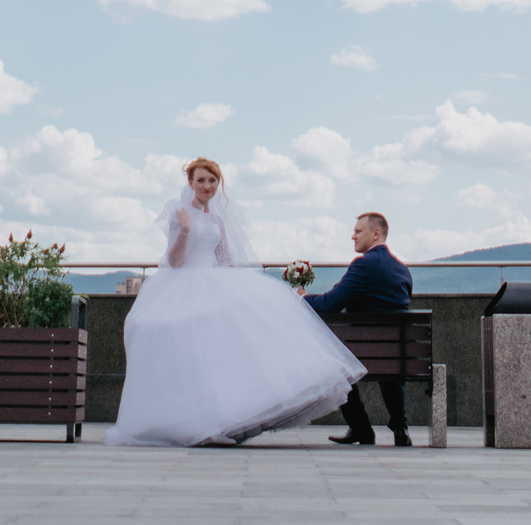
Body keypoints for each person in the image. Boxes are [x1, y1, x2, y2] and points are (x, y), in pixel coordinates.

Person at [106, 158, 369, 447]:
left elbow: (226, 261)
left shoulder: (217, 220)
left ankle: (223, 421)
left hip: (214, 283)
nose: (207, 186)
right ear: (190, 184)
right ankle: (191, 421)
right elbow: (174, 261)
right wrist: (183, 229)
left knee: (225, 350)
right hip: (183, 282)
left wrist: (244, 292)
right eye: (201, 181)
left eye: (212, 181)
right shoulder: (180, 214)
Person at [301, 210, 414, 446]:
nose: (352, 236)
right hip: (399, 356)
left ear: (376, 234)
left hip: (362, 354)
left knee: (337, 363)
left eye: (357, 231)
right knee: (388, 357)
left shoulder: (363, 266)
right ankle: (400, 428)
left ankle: (361, 428)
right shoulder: (402, 269)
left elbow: (330, 304)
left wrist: (302, 297)